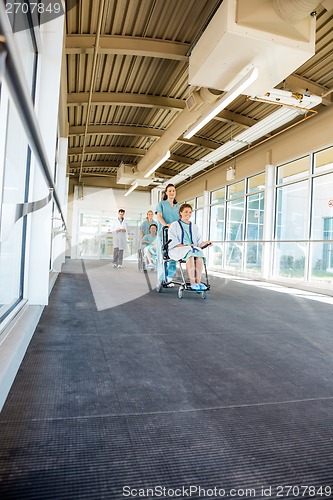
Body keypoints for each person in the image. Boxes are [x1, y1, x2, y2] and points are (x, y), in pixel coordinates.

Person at [168, 203, 212, 291]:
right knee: (191, 255)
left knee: (199, 255)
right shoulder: (174, 225)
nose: (188, 214)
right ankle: (192, 282)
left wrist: (207, 243)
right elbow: (172, 241)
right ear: (181, 213)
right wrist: (187, 245)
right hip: (178, 249)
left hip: (191, 248)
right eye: (186, 212)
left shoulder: (194, 226)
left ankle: (198, 282)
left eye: (190, 212)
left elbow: (199, 243)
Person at [155, 184, 180, 284]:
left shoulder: (178, 206)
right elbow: (159, 217)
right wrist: (166, 225)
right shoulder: (161, 204)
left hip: (175, 235)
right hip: (163, 234)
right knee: (163, 256)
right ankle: (162, 278)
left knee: (174, 255)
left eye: (173, 191)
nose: (171, 193)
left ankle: (169, 276)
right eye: (169, 191)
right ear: (166, 193)